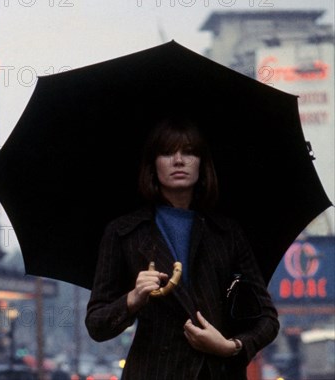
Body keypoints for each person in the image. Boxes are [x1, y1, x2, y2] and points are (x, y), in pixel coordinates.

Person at [85, 118, 279, 380]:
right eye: (167, 152)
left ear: (202, 163)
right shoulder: (123, 232)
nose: (178, 160)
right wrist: (132, 299)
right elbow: (97, 324)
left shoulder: (226, 233)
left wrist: (230, 346)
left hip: (218, 372)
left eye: (189, 152)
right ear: (153, 165)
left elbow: (267, 319)